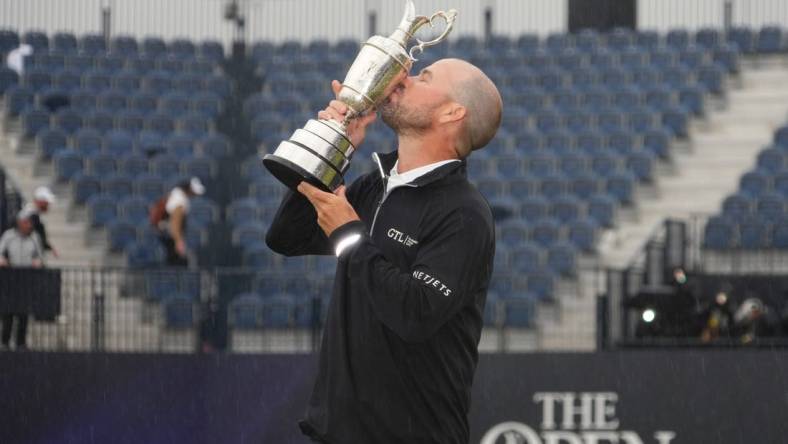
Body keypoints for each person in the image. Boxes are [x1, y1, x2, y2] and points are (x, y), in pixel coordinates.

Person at [266, 58, 502, 443]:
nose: (404, 79)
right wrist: (334, 146)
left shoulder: (465, 213)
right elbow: (286, 237)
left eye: (424, 77)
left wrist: (350, 236)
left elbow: (415, 313)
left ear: (452, 112)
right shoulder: (375, 185)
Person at [0, 210, 44, 350]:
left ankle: (21, 343)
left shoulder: (34, 237)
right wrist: (3, 261)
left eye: (29, 222)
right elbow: (0, 253)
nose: (28, 225)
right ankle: (5, 342)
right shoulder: (9, 236)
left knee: (23, 313)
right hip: (10, 279)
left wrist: (37, 262)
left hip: (26, 280)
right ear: (19, 222)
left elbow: (39, 256)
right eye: (26, 222)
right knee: (8, 313)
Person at [151, 177, 206, 267]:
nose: (195, 195)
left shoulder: (175, 194)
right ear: (189, 189)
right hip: (169, 237)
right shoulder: (180, 201)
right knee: (177, 264)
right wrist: (179, 241)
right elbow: (175, 223)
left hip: (165, 233)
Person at [22, 186, 58, 259]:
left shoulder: (33, 215)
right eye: (46, 203)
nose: (48, 205)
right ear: (40, 202)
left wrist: (49, 248)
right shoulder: (30, 215)